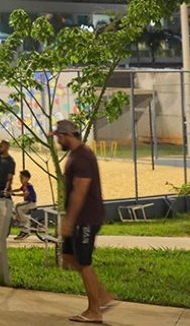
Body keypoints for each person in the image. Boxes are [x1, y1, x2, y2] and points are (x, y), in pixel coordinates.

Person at [54, 119, 117, 322]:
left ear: (67, 136)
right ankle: (103, 296)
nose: (58, 141)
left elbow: (80, 191)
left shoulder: (82, 158)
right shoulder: (77, 154)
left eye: (59, 137)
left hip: (85, 219)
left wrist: (69, 221)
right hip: (79, 218)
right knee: (69, 257)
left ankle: (94, 311)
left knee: (84, 261)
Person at [10, 169, 38, 240]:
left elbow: (26, 194)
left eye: (22, 178)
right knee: (16, 209)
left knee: (18, 207)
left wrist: (15, 195)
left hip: (31, 203)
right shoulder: (24, 185)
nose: (20, 179)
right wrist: (10, 191)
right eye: (20, 178)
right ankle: (23, 230)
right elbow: (19, 189)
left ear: (27, 178)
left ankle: (26, 228)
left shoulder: (29, 186)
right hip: (27, 203)